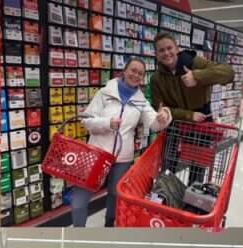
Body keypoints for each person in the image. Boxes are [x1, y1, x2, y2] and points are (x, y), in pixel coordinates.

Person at [73, 57, 173, 226]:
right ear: (124, 71)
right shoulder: (105, 93)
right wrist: (107, 123)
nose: (136, 75)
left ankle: (109, 227)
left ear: (143, 78)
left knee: (115, 195)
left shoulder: (141, 101)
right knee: (79, 200)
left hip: (122, 159)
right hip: (97, 154)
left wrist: (165, 115)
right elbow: (86, 121)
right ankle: (76, 235)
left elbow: (155, 125)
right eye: (133, 70)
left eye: (140, 73)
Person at [150, 32, 234, 185]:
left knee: (197, 168)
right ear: (156, 54)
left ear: (177, 48)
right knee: (168, 165)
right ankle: (167, 196)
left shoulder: (195, 63)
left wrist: (198, 76)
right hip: (175, 123)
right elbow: (160, 108)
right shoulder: (156, 79)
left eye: (169, 48)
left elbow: (228, 73)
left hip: (201, 122)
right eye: (161, 50)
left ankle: (192, 202)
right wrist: (189, 115)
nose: (166, 53)